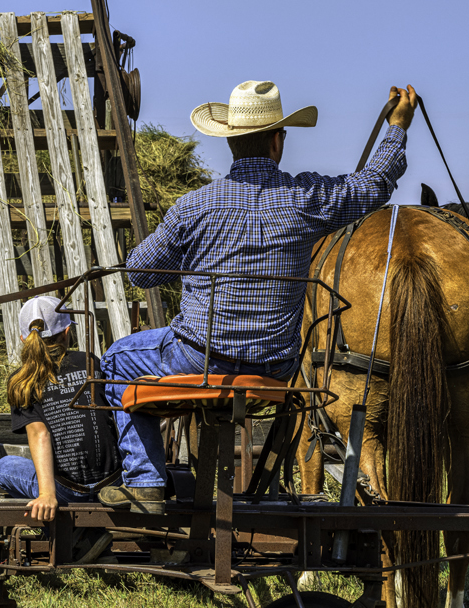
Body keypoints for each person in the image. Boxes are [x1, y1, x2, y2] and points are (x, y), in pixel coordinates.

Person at [96, 79, 417, 513]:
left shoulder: (194, 206)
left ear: (229, 142)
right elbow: (373, 184)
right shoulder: (306, 198)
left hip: (199, 358)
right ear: (277, 140)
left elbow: (139, 271)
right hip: (276, 363)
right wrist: (397, 126)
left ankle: (145, 480)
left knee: (117, 359)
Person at [0, 294, 115, 563]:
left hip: (68, 491)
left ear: (24, 339)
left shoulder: (21, 381)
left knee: (4, 467)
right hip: (112, 483)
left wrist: (47, 495)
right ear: (67, 332)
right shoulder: (90, 361)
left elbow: (40, 434)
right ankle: (86, 534)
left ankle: (79, 535)